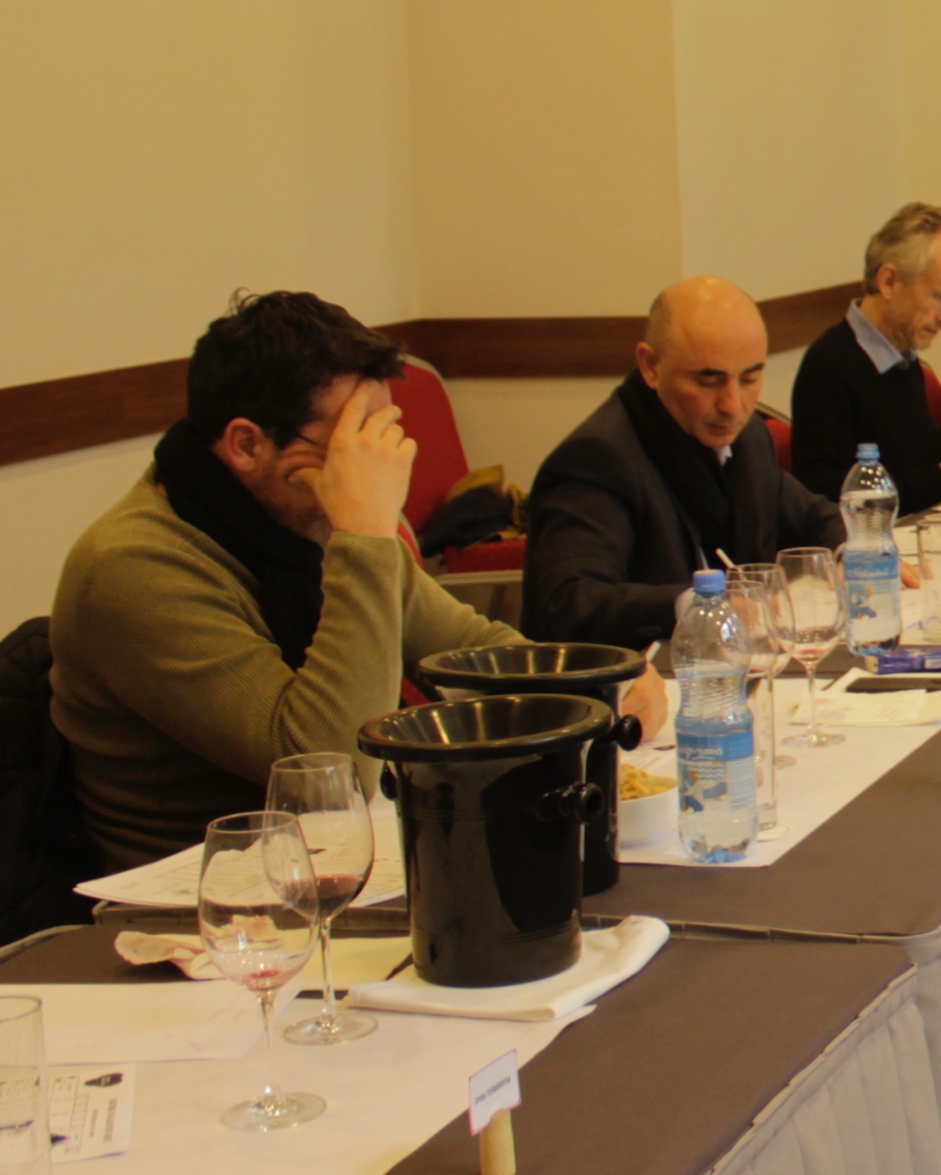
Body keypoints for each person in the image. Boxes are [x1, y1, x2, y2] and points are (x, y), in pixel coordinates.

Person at [50, 293, 662, 867]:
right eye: (350, 444)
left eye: (381, 435)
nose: (373, 467)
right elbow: (330, 767)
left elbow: (472, 654)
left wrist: (604, 687)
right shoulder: (132, 569)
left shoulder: (301, 518)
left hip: (335, 862)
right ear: (246, 445)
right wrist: (365, 536)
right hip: (204, 898)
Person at [523, 277, 847, 649]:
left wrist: (847, 557)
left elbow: (814, 516)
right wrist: (696, 607)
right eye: (708, 381)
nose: (733, 406)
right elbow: (567, 604)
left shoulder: (750, 438)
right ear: (650, 366)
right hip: (646, 675)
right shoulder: (598, 458)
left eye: (749, 379)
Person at [789, 202, 941, 509]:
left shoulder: (902, 359)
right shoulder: (829, 367)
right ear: (889, 282)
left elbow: (920, 467)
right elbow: (827, 499)